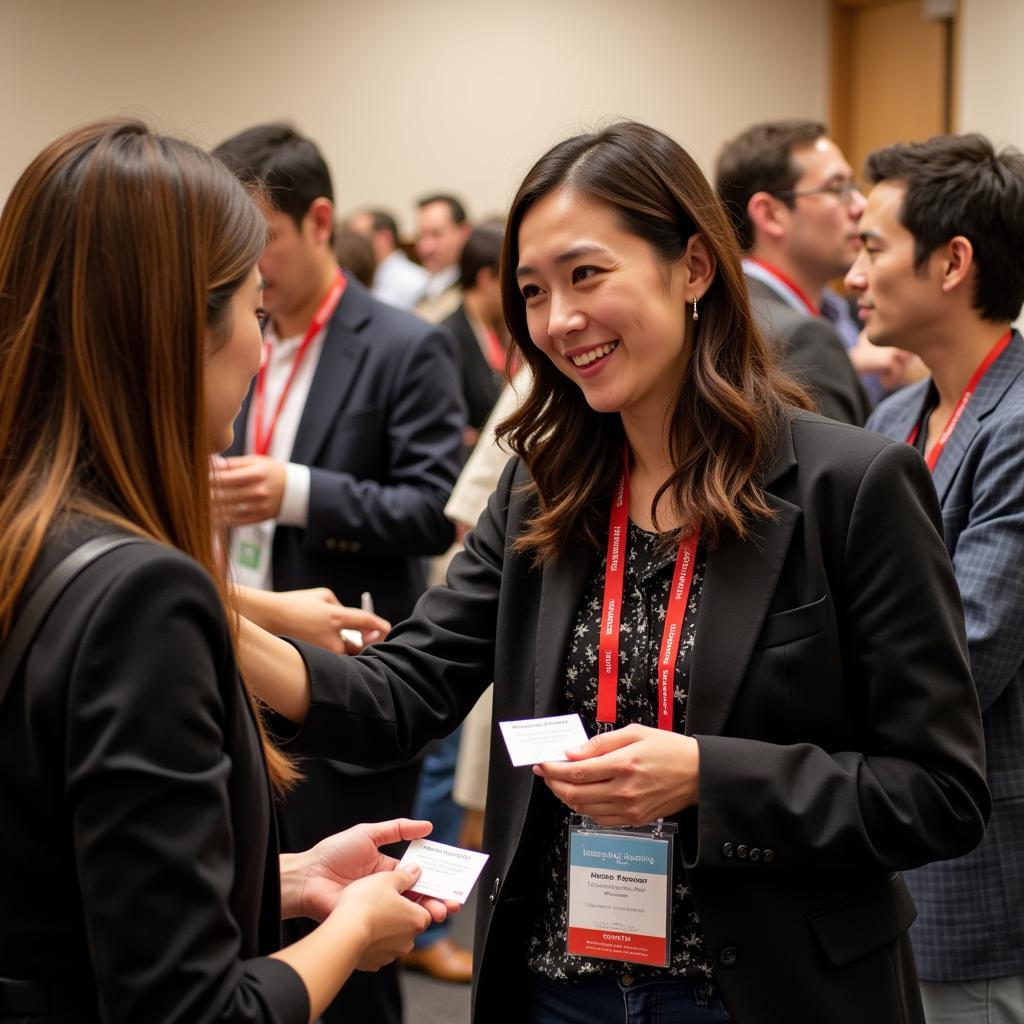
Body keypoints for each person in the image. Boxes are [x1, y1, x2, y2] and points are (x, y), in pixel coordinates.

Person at [239, 121, 989, 1024]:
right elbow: (397, 696)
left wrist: (710, 774)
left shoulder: (850, 487)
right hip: (561, 989)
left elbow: (939, 794)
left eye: (587, 275)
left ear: (695, 268)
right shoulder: (542, 493)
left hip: (765, 990)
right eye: (532, 291)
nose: (559, 321)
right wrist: (208, 614)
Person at [0, 119, 453, 1024]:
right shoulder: (142, 599)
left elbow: (69, 870)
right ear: (176, 331)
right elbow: (190, 1011)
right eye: (251, 314)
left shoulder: (29, 528)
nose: (259, 347)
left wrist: (286, 881)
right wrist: (351, 929)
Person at [211, 122, 465, 1024]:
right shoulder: (225, 327)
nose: (250, 265)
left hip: (347, 666)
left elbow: (432, 509)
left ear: (319, 222)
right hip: (234, 655)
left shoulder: (403, 343)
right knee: (249, 911)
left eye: (262, 238)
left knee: (359, 936)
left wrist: (299, 491)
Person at [850, 133, 1024, 1024]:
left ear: (952, 261)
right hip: (881, 863)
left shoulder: (1019, 421)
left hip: (980, 871)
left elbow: (972, 650)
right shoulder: (892, 416)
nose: (854, 275)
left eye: (872, 246)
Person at [716, 119, 914, 418]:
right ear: (770, 214)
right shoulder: (783, 335)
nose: (860, 205)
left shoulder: (844, 314)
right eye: (838, 189)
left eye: (855, 188)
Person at [443, 222, 507, 447]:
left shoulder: (493, 327)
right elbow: (454, 431)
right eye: (508, 279)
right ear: (486, 278)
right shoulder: (447, 338)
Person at [347, 208, 428, 310]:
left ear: (384, 238)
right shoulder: (361, 277)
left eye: (359, 237)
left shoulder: (414, 281)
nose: (353, 245)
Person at [414, 193, 470, 322]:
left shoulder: (473, 292)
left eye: (436, 234)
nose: (426, 247)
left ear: (464, 231)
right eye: (421, 235)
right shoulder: (419, 284)